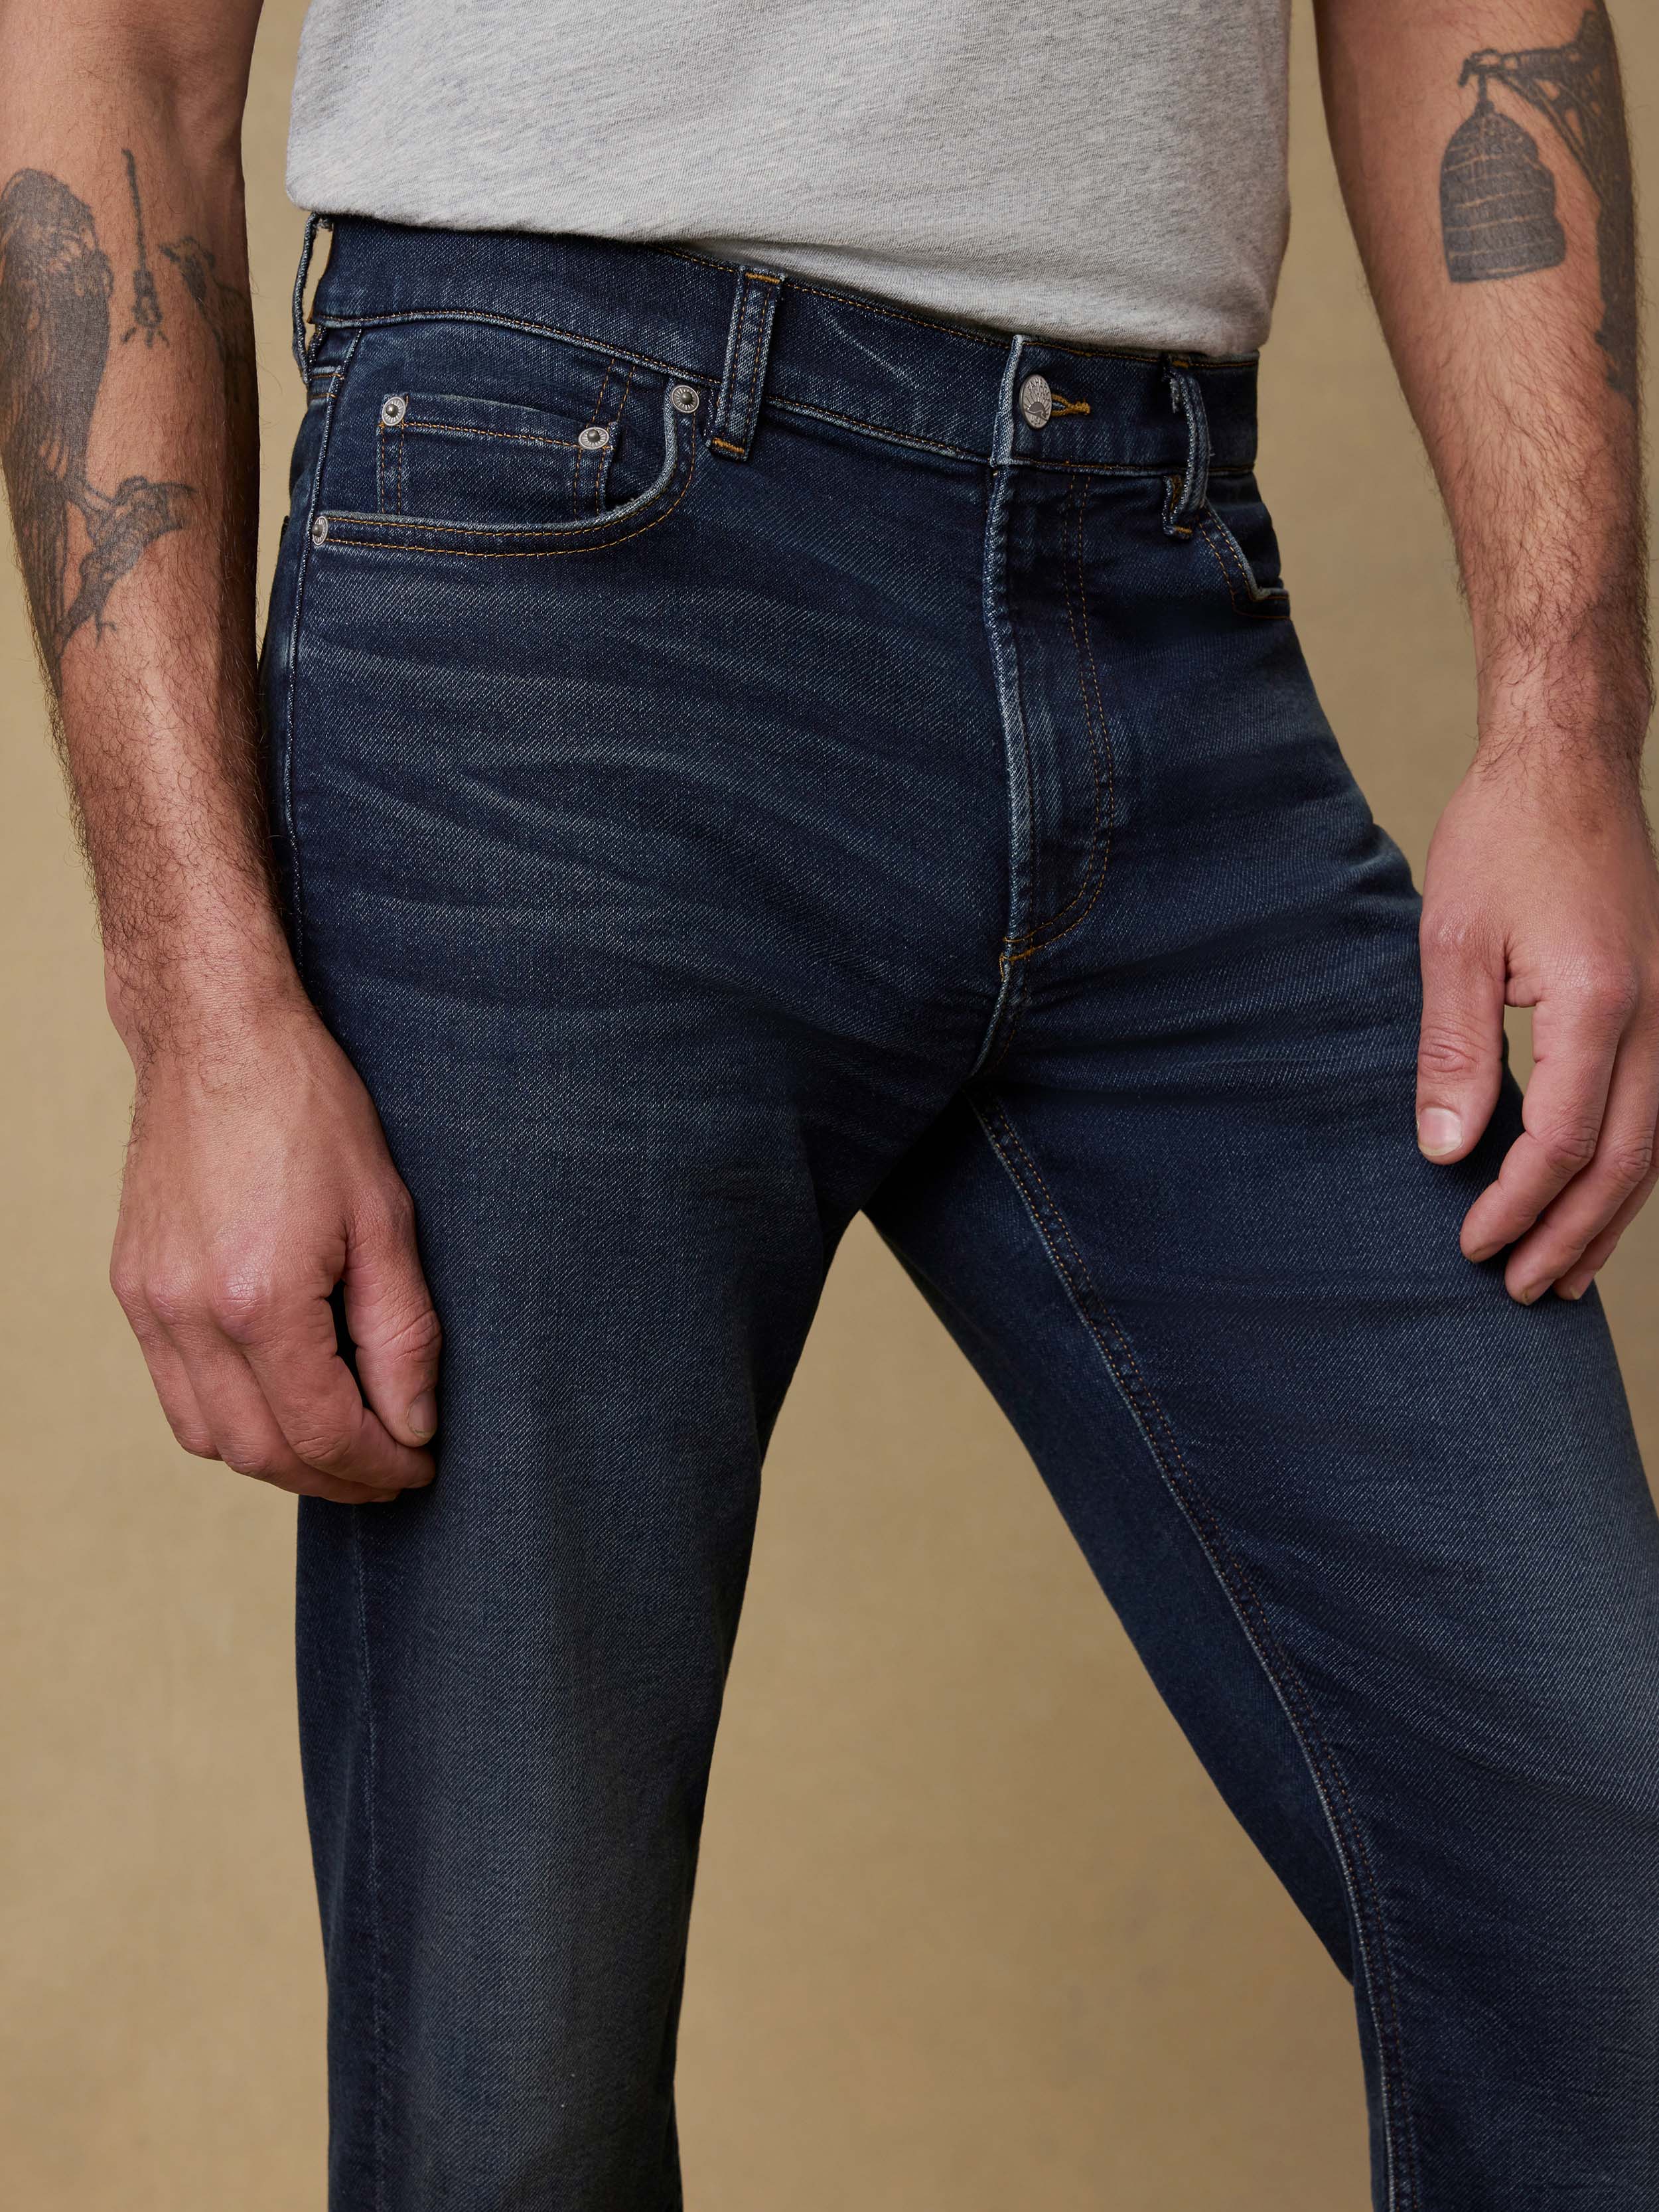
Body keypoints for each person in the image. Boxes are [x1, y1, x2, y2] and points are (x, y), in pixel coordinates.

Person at [3, 0, 1658, 2202]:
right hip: (557, 585)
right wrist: (195, 1000)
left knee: (1600, 1914)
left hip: (1162, 581)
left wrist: (1564, 721)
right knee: (510, 2090)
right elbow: (109, 50)